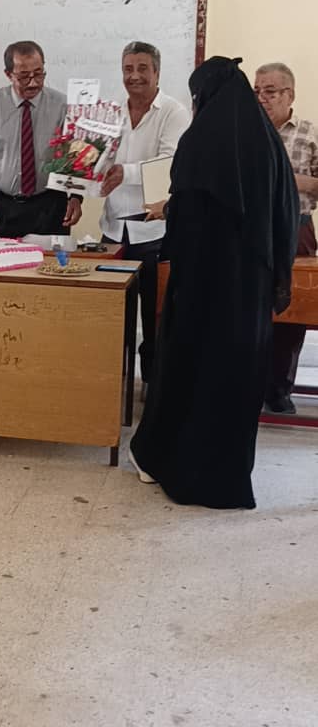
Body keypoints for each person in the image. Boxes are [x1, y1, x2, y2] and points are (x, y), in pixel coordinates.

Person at [129, 57, 299, 510]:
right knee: (234, 382)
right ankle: (227, 479)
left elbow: (188, 218)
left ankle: (167, 462)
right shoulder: (268, 144)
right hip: (249, 296)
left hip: (202, 293)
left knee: (188, 373)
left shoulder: (200, 141)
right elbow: (285, 216)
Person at [100, 42, 190, 385]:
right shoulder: (110, 111)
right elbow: (96, 158)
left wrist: (124, 173)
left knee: (155, 318)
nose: (134, 76)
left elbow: (169, 165)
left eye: (142, 68)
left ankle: (154, 389)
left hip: (155, 233)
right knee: (112, 316)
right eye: (128, 69)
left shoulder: (174, 112)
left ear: (157, 72)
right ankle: (114, 385)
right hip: (113, 231)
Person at [0, 40, 82, 237]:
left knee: (50, 258)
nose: (33, 82)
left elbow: (76, 155)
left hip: (51, 206)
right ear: (8, 74)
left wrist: (76, 197)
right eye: (24, 76)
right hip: (2, 208)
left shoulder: (63, 106)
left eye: (39, 74)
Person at [254, 62, 318, 415]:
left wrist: (295, 181)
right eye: (257, 91)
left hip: (297, 229)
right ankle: (249, 383)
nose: (262, 98)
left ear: (289, 95)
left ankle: (279, 387)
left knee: (292, 309)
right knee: (252, 308)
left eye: (270, 91)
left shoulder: (308, 133)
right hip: (253, 231)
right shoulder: (248, 131)